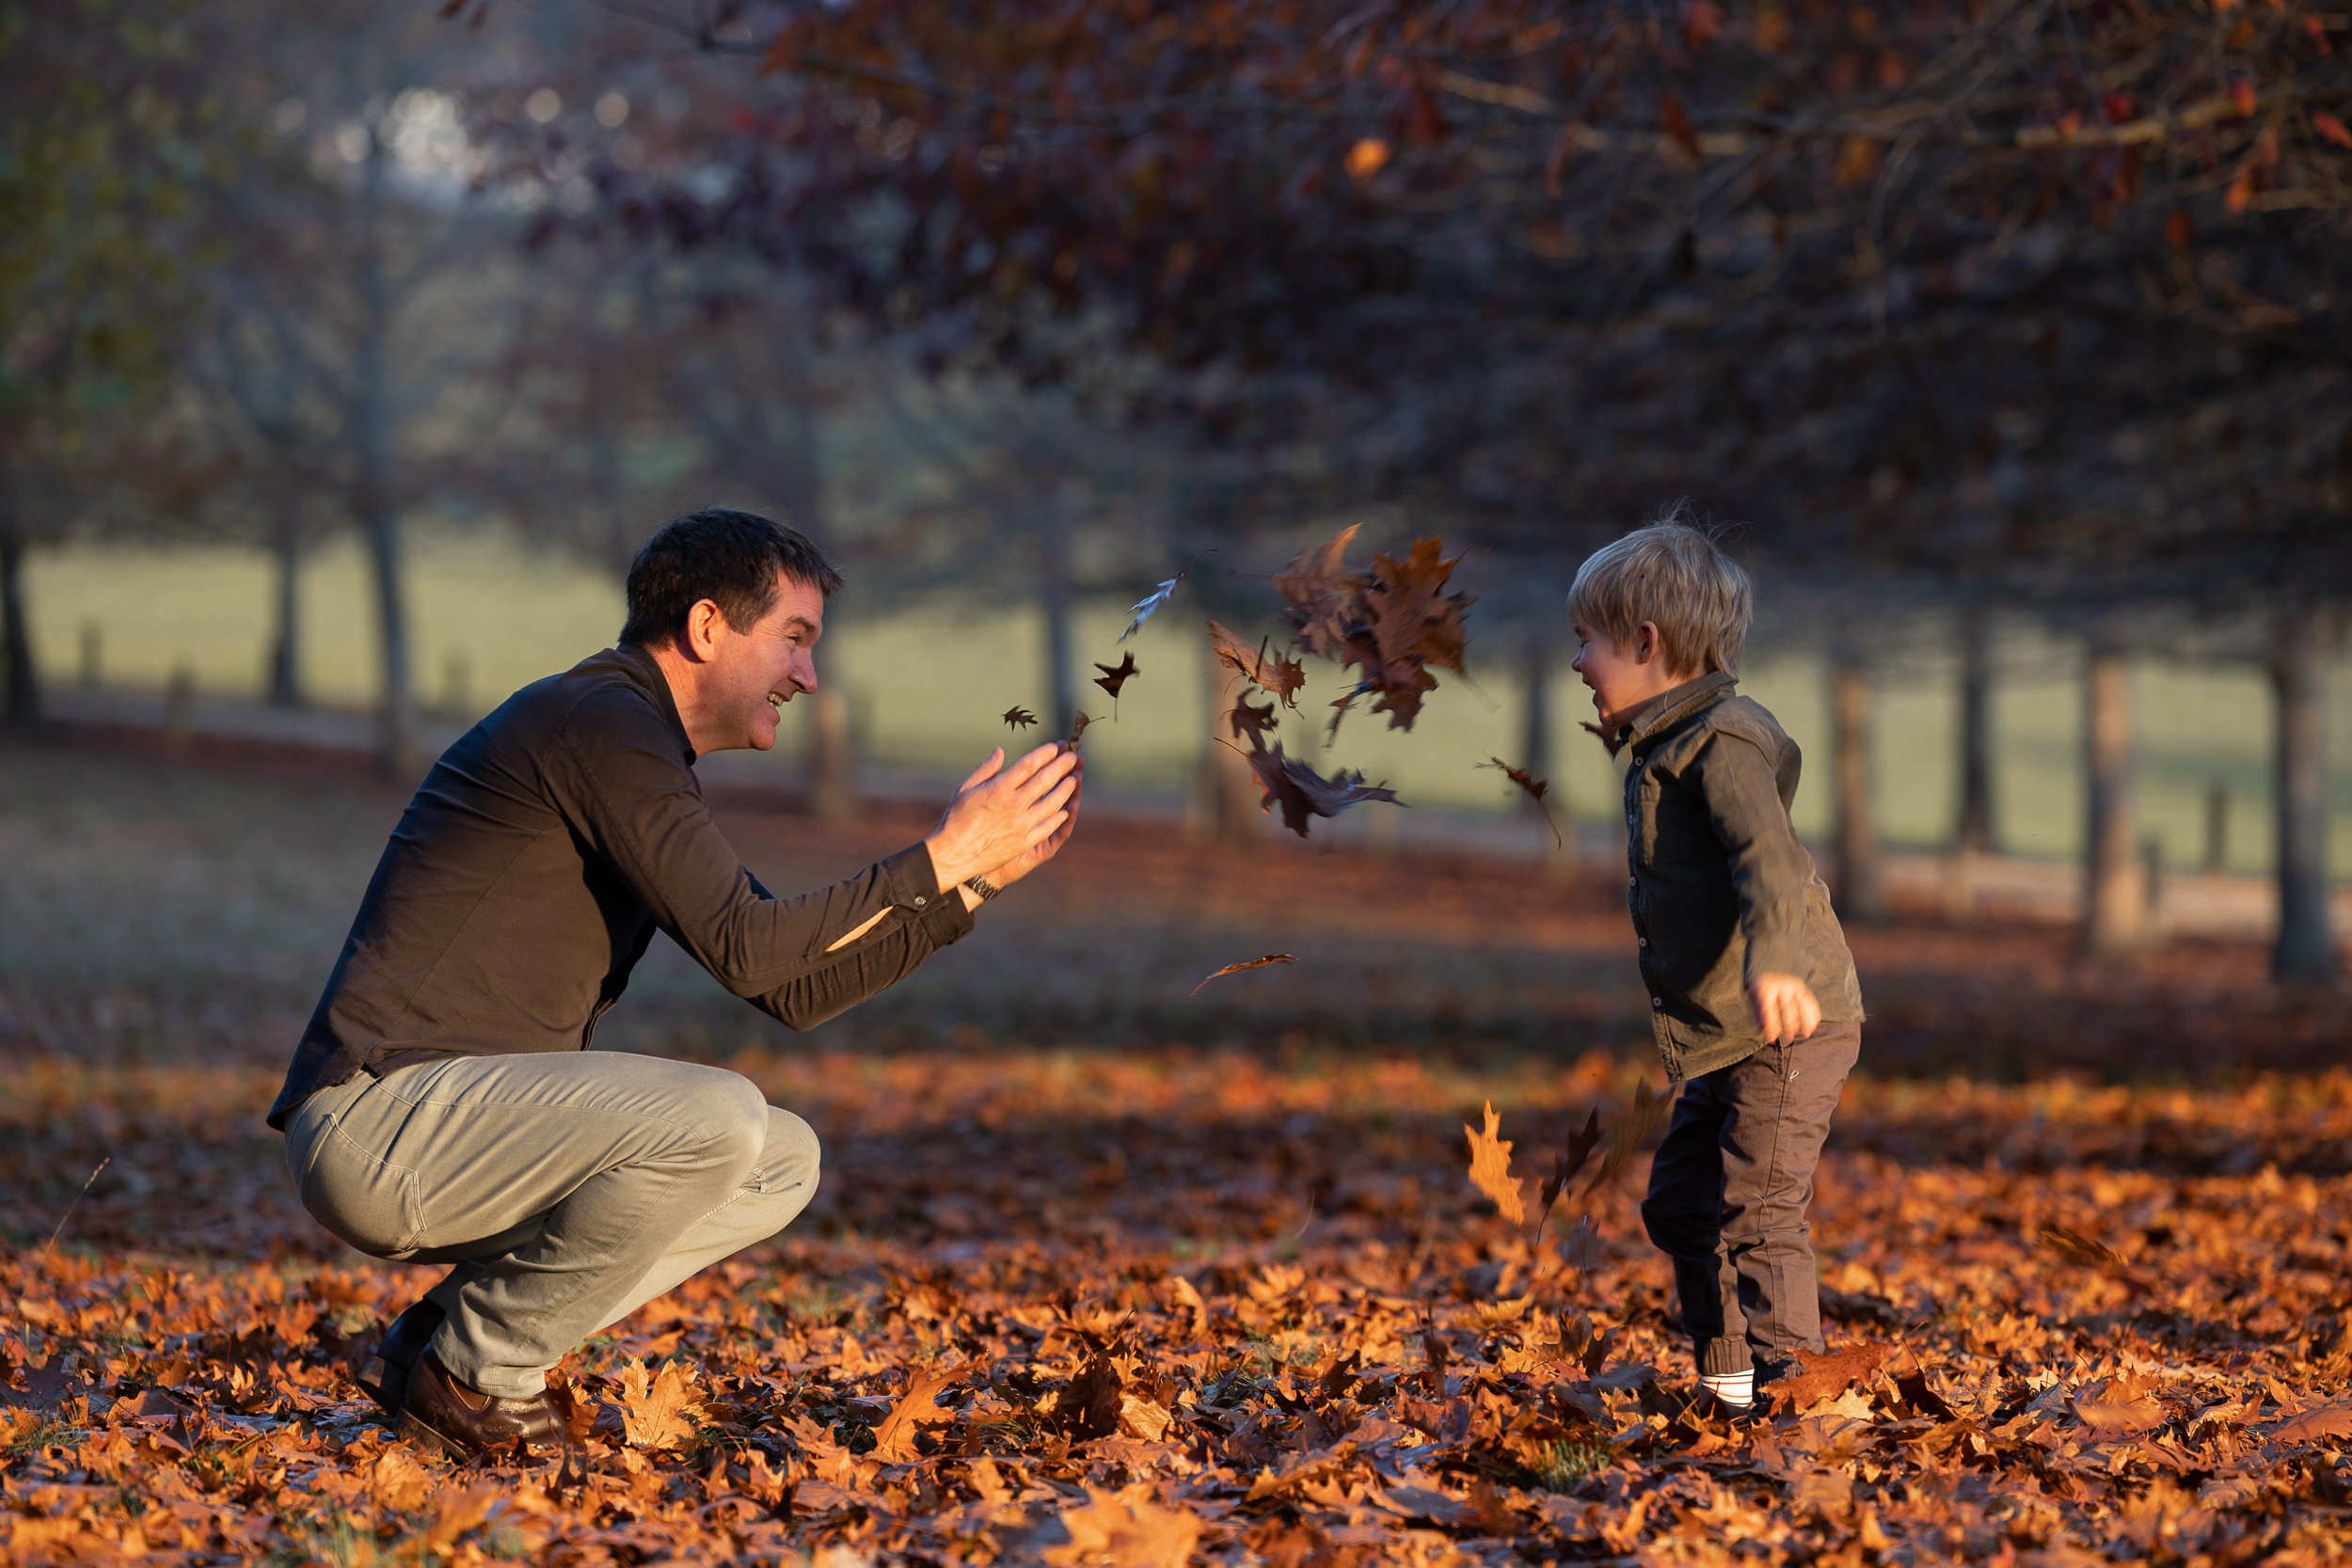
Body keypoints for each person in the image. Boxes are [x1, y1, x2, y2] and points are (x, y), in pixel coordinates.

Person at [267, 509, 1081, 1460]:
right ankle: (480, 1373)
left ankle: (432, 1341)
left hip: (444, 1127)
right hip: (382, 1122)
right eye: (795, 638)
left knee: (781, 1154)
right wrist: (936, 857)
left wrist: (961, 884)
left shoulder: (629, 740)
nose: (809, 675)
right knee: (718, 1114)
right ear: (705, 629)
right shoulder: (601, 723)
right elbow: (752, 949)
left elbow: (792, 987)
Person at [1567, 513, 1864, 1418]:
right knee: (1680, 1205)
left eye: (1587, 641)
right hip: (1729, 1036)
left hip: (1788, 1018)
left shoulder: (1723, 739)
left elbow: (1766, 856)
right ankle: (1731, 1387)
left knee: (1759, 1211)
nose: (1577, 662)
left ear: (1647, 643)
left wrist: (1777, 965)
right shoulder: (1666, 744)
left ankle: (1801, 1411)